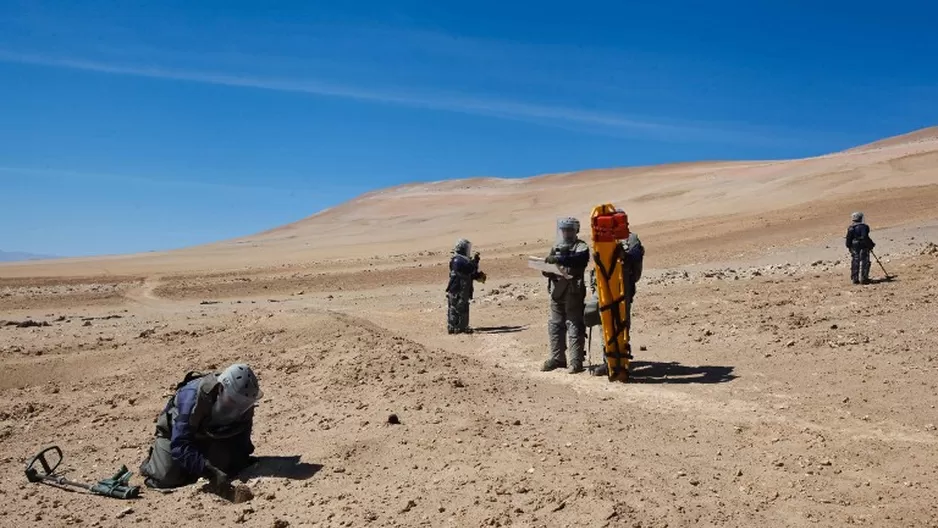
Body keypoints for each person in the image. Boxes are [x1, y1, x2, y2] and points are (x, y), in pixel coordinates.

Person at [140, 363, 262, 489]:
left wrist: (239, 460)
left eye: (243, 404)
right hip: (176, 436)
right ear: (221, 389)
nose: (238, 408)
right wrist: (209, 471)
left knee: (231, 468)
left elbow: (241, 437)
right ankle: (153, 461)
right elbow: (180, 444)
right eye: (232, 401)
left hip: (211, 434)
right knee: (166, 477)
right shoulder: (191, 396)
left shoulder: (244, 401)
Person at [590, 232, 644, 377]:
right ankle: (608, 361)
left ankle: (622, 361)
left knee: (622, 325)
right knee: (605, 325)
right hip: (605, 289)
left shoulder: (631, 239)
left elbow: (636, 255)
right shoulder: (602, 238)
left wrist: (624, 255)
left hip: (622, 290)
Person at [541, 217, 591, 373]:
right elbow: (549, 265)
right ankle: (558, 358)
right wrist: (546, 268)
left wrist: (559, 259)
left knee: (573, 324)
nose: (567, 233)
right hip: (557, 291)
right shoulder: (556, 247)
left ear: (576, 230)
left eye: (570, 230)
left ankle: (576, 361)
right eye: (564, 230)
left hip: (573, 292)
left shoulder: (581, 247)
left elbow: (579, 261)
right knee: (555, 325)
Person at [446, 238, 486, 334]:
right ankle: (460, 327)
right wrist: (475, 262)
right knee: (460, 307)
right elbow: (470, 269)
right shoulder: (458, 260)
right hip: (459, 288)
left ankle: (453, 326)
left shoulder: (457, 260)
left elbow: (468, 273)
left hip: (457, 288)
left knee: (455, 307)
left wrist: (476, 275)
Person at [845, 212, 875, 285]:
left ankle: (855, 278)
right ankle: (864, 278)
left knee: (855, 261)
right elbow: (865, 237)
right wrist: (870, 245)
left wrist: (849, 246)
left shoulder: (851, 228)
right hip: (863, 245)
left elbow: (848, 239)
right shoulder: (864, 227)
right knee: (865, 260)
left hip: (854, 245)